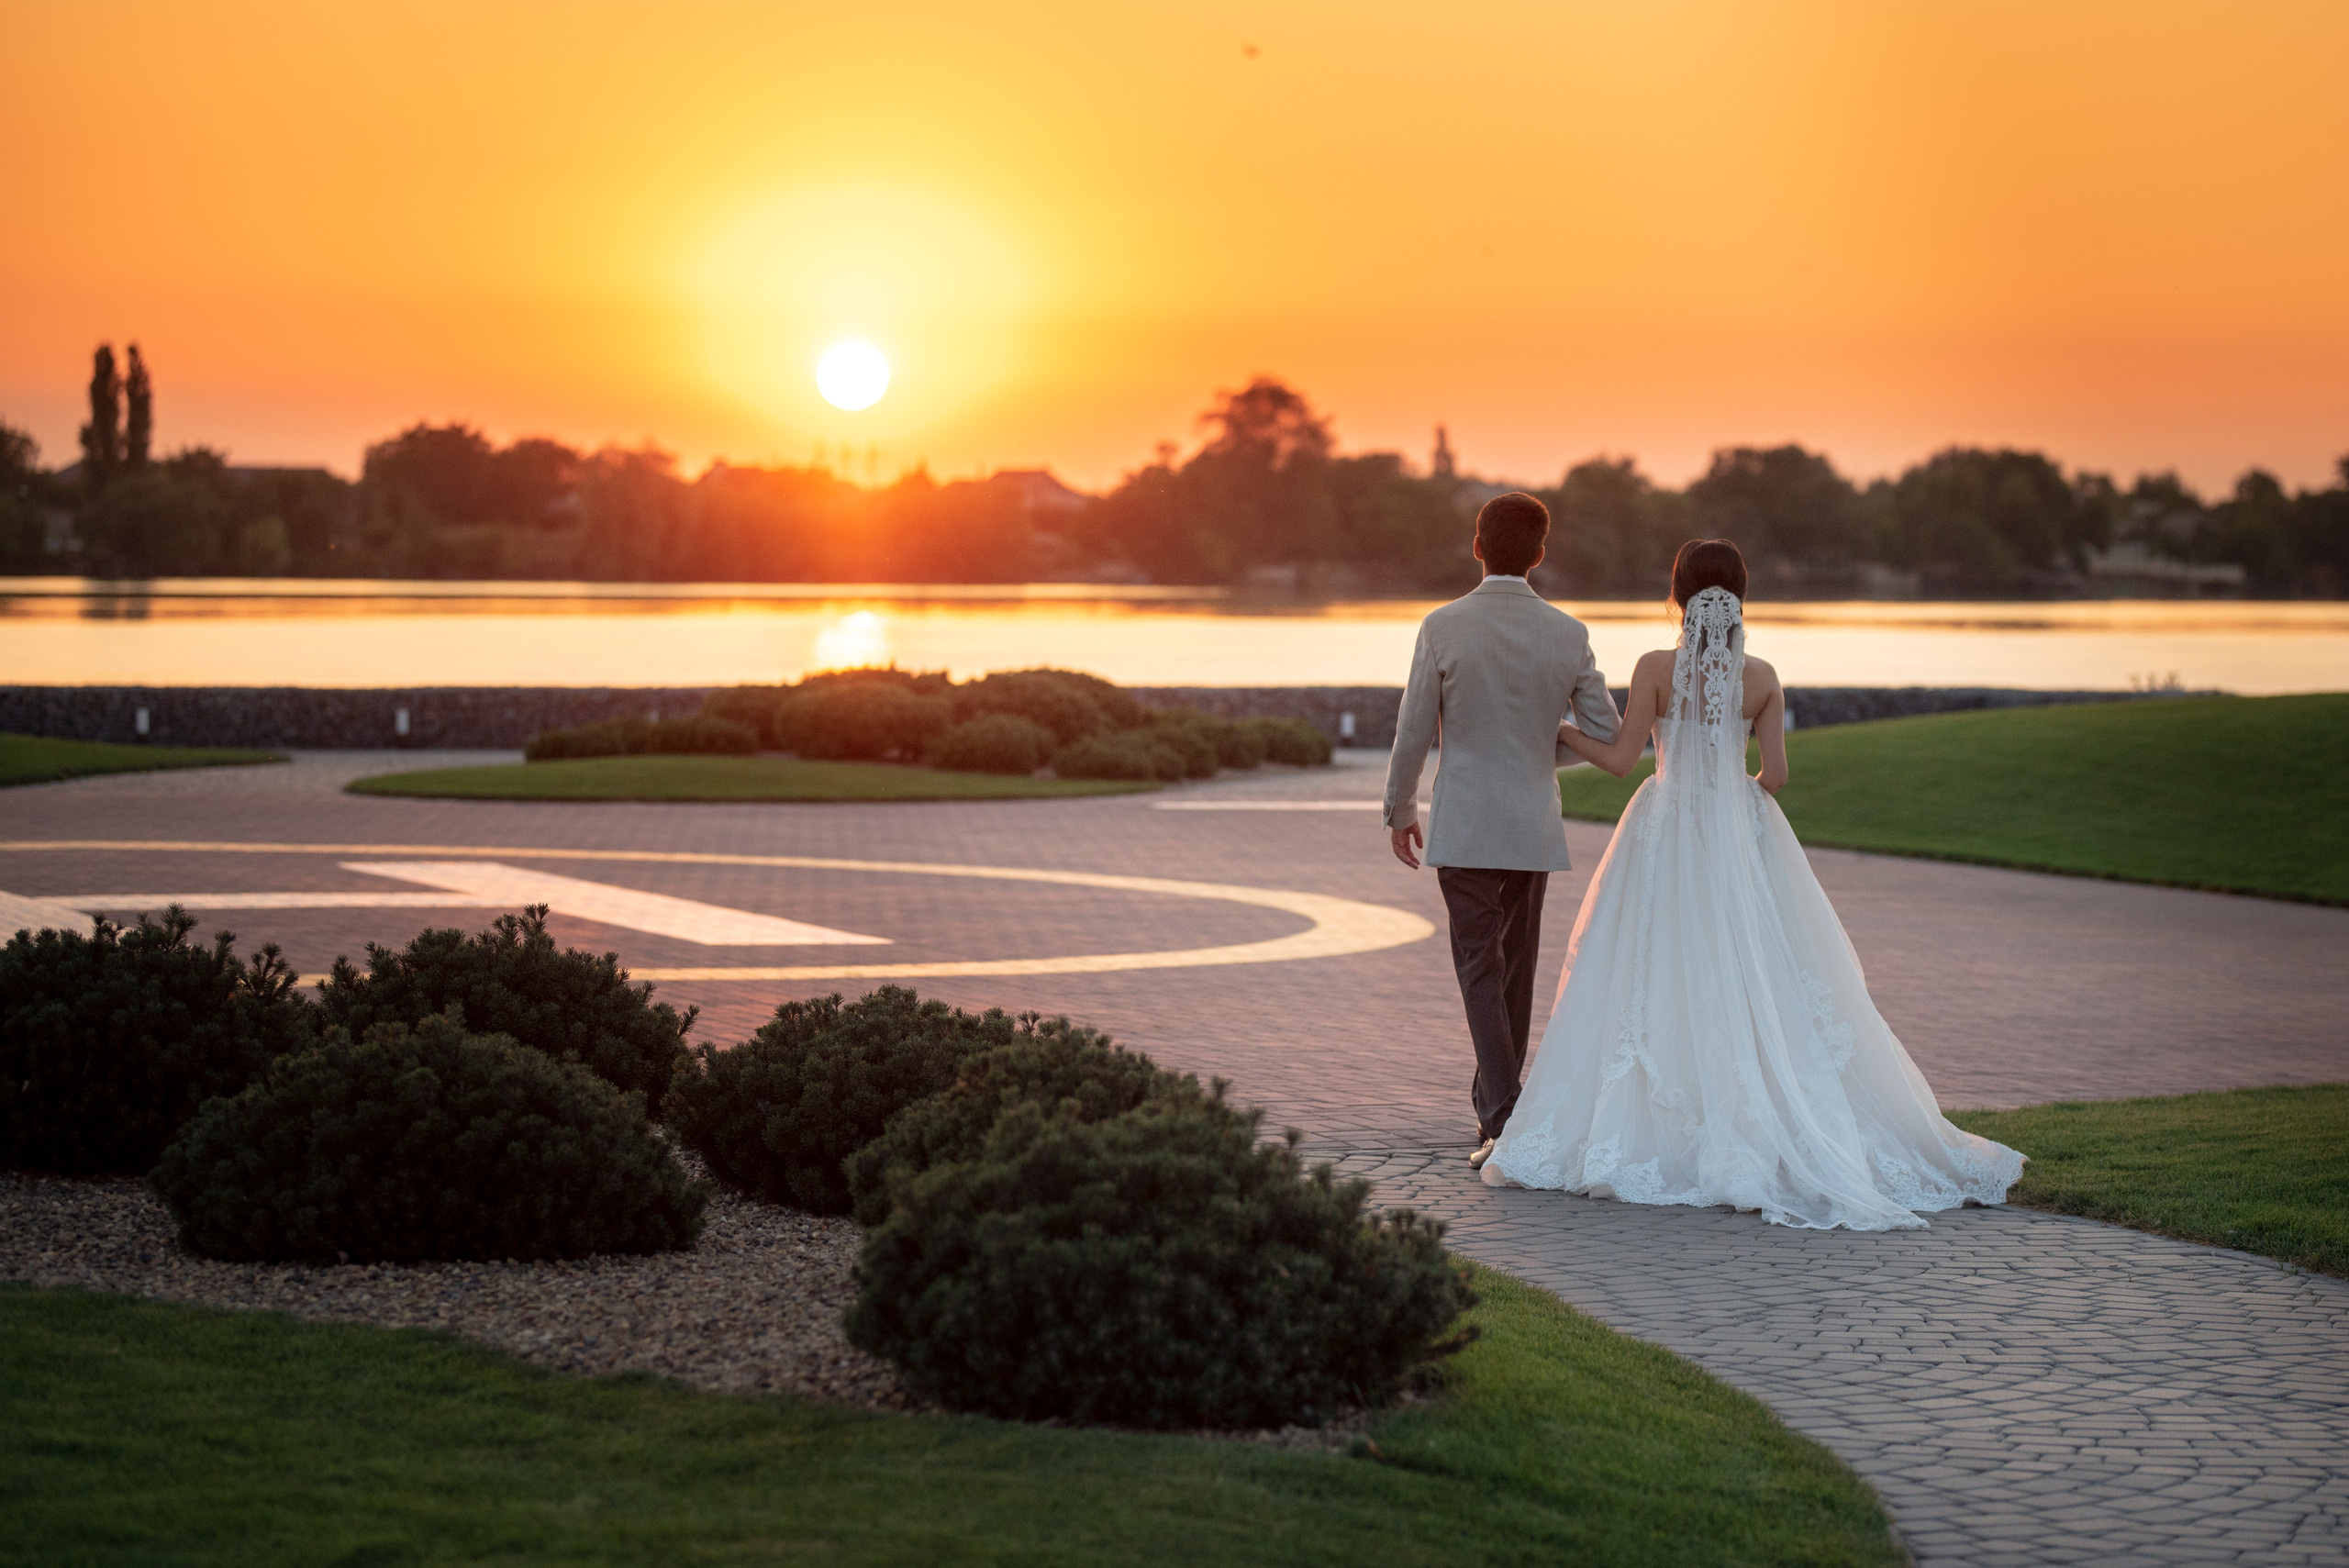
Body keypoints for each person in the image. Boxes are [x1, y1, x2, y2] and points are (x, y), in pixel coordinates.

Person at [1480, 539, 2023, 1229]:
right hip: (1738, 828)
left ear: (1677, 595)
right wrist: (1737, 801)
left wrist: (1561, 730)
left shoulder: (1653, 667)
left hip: (1666, 828)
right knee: (1756, 966)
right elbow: (1777, 776)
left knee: (1657, 966)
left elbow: (1619, 760)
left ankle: (1659, 1112)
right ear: (1741, 595)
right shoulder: (1762, 676)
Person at [1384, 491, 1620, 1171]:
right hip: (1531, 824)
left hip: (1465, 822)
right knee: (1513, 970)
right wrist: (1542, 743)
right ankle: (1502, 1111)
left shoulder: (1442, 625)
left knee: (1479, 969)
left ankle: (1503, 1119)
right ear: (1540, 553)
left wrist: (1399, 809)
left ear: (1477, 546)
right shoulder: (1568, 632)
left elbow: (1412, 729)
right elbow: (1605, 733)